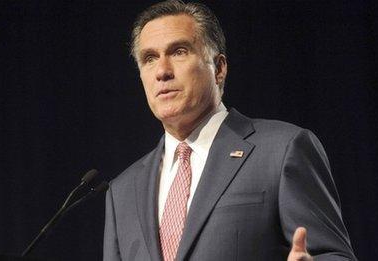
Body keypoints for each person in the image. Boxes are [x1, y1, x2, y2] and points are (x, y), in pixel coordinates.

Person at [103, 1, 357, 260]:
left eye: (179, 52)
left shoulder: (281, 150)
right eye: (149, 58)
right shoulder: (122, 191)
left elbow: (333, 254)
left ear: (219, 68)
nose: (162, 71)